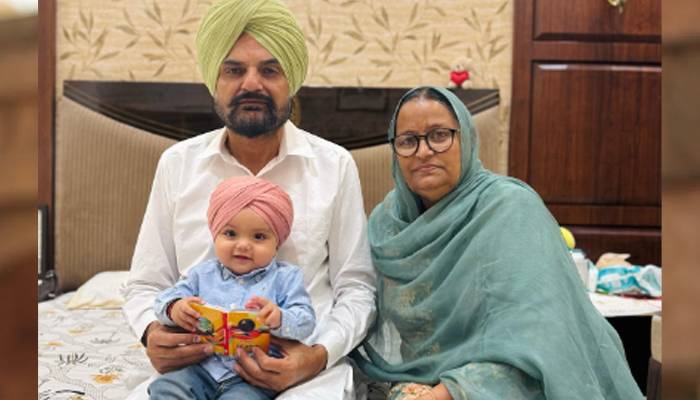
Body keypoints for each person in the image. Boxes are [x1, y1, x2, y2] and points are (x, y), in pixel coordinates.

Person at [122, 1, 376, 398]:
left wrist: (316, 355)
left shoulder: (334, 166)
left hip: (302, 370)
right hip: (196, 368)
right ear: (215, 81)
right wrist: (151, 332)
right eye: (234, 70)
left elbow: (357, 289)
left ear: (290, 80)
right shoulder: (178, 165)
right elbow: (146, 283)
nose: (252, 84)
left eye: (270, 70)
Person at [351, 86, 644, 400]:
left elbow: (540, 335)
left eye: (439, 135)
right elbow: (359, 304)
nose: (423, 151)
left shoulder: (509, 208)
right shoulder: (386, 225)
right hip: (421, 384)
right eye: (408, 141)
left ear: (466, 140)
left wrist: (450, 392)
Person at [147, 176, 316, 399]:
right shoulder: (201, 274)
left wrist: (280, 318)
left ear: (277, 243)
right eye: (230, 233)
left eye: (258, 236)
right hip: (201, 368)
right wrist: (175, 308)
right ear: (215, 235)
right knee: (166, 387)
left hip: (253, 377)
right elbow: (163, 300)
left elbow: (306, 321)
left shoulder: (286, 277)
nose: (243, 244)